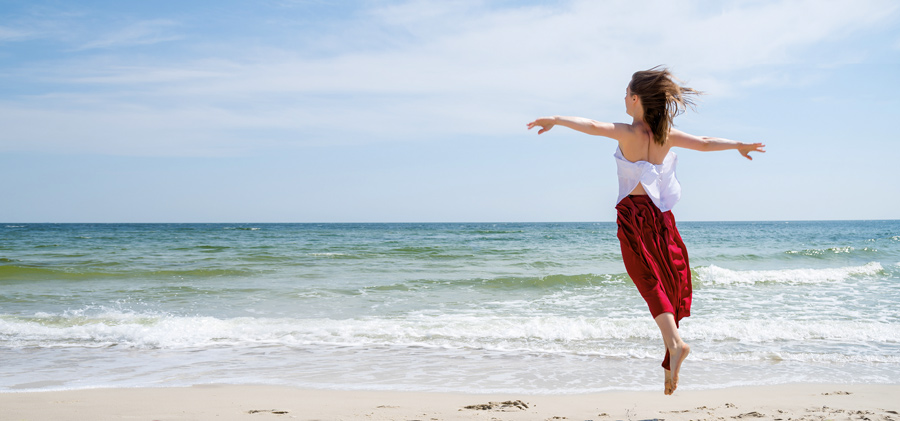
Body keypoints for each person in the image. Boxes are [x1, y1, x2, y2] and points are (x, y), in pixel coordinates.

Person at [526, 66, 765, 395]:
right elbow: (707, 143)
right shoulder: (666, 135)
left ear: (636, 99)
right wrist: (739, 144)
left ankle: (677, 345)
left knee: (648, 281)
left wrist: (556, 118)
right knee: (664, 283)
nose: (623, 99)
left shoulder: (629, 132)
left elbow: (593, 126)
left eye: (626, 94)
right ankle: (671, 358)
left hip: (634, 216)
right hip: (662, 218)